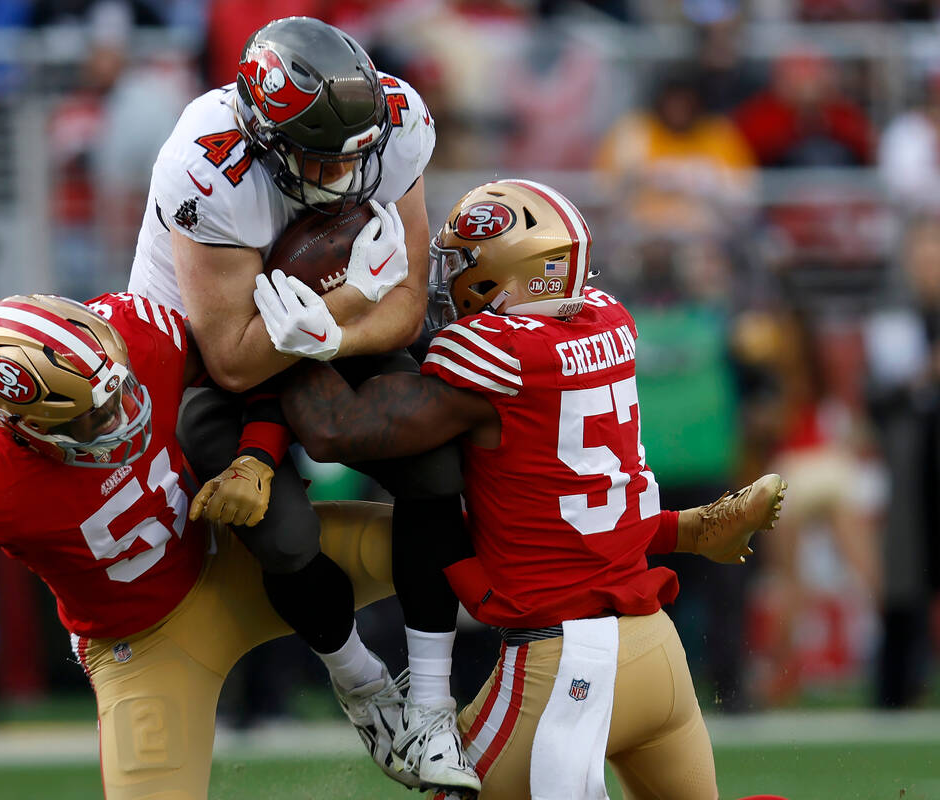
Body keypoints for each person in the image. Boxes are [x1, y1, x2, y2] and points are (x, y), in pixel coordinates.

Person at [259, 178, 787, 799]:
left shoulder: (497, 353)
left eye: (461, 264)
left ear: (504, 274)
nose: (446, 280)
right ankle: (693, 526)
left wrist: (295, 339)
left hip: (563, 661)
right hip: (655, 648)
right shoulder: (607, 320)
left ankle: (692, 527)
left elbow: (335, 431)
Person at [0, 291, 398, 798]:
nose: (121, 415)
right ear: (26, 427)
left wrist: (256, 455)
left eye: (118, 391)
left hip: (238, 558)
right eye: (93, 416)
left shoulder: (137, 332)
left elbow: (254, 369)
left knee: (434, 548)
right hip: (142, 647)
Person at [128, 16, 478, 792]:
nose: (345, 178)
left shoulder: (397, 120)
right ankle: (361, 684)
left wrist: (334, 332)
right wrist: (349, 298)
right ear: (262, 134)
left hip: (328, 330)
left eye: (355, 156)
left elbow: (409, 303)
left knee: (432, 456)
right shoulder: (205, 165)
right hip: (206, 356)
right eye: (319, 158)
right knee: (281, 535)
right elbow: (232, 358)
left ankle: (429, 704)